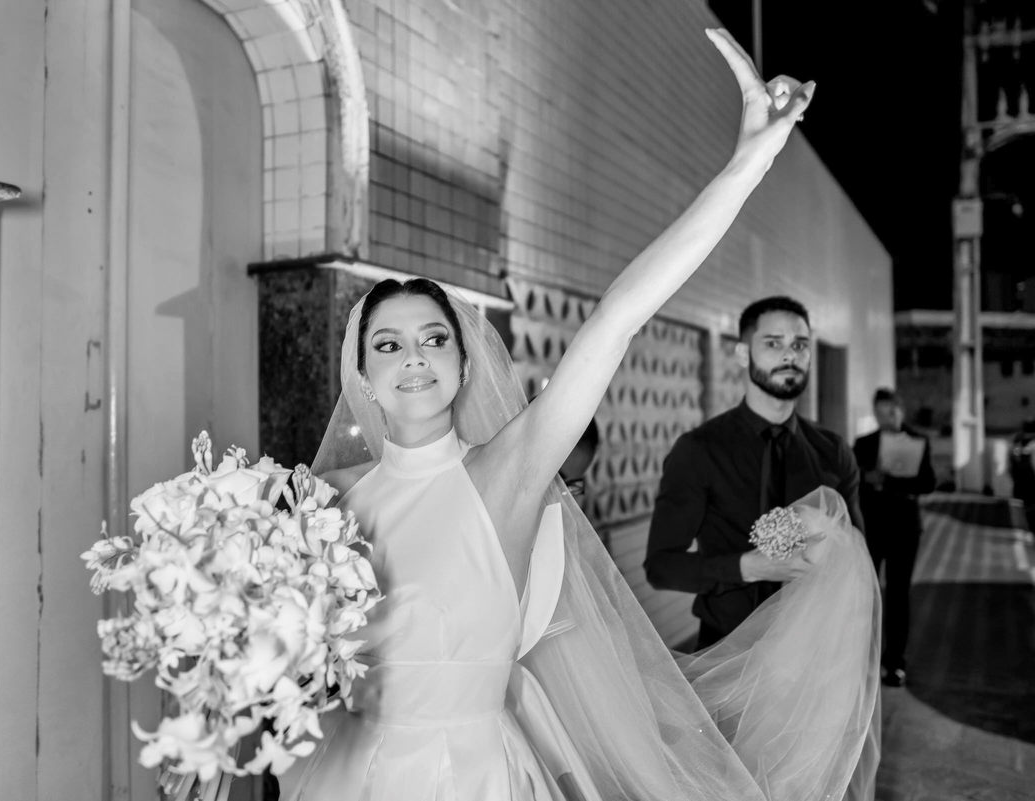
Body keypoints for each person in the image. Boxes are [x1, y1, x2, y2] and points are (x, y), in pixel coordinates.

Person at [277, 29, 878, 801]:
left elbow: (619, 315)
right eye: (388, 344)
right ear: (363, 373)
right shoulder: (325, 502)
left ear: (465, 363)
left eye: (434, 338)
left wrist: (748, 163)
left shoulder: (508, 470)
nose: (414, 357)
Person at [645, 295, 865, 650]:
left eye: (800, 345)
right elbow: (661, 567)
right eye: (773, 343)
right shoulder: (699, 450)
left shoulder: (833, 452)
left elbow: (857, 553)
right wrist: (746, 567)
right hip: (726, 647)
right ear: (743, 354)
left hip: (813, 650)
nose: (789, 355)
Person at [854, 388, 936, 688]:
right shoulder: (864, 444)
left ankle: (895, 662)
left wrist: (891, 480)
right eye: (879, 413)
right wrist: (867, 477)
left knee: (899, 596)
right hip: (873, 527)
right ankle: (862, 659)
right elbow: (851, 481)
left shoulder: (918, 441)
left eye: (890, 412)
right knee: (866, 595)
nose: (885, 418)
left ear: (900, 410)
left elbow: (928, 482)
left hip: (904, 529)